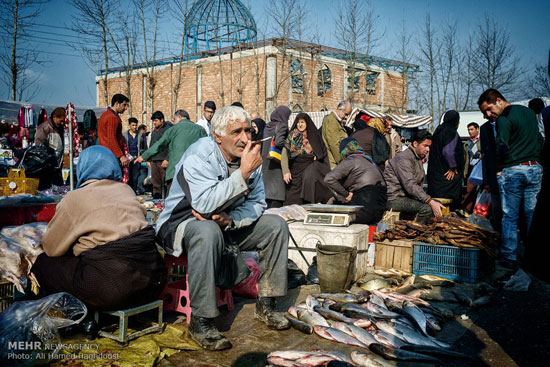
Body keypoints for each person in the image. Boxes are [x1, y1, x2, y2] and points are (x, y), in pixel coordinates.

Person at [155, 106, 290, 350]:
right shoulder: (199, 154)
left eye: (247, 130)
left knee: (276, 225)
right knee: (207, 230)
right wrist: (243, 174)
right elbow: (203, 204)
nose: (245, 138)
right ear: (217, 136)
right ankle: (202, 320)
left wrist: (232, 220)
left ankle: (267, 303)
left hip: (225, 222)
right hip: (182, 223)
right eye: (236, 131)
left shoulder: (250, 156)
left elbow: (258, 202)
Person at [30, 146, 167, 311]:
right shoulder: (126, 189)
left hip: (113, 288)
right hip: (152, 282)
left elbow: (52, 248)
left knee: (43, 263)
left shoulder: (75, 198)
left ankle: (66, 315)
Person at [478, 88, 543, 269]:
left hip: (513, 170)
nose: (488, 115)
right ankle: (533, 257)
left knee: (509, 216)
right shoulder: (530, 114)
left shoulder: (503, 119)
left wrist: (498, 170)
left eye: (489, 109)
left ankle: (509, 257)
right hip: (534, 168)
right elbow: (539, 140)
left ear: (499, 100)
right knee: (531, 214)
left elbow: (501, 147)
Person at [135, 109, 206, 193]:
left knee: (173, 200)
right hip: (195, 172)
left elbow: (159, 145)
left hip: (175, 171)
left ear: (179, 117)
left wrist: (144, 156)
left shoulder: (173, 129)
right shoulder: (201, 130)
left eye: (174, 119)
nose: (174, 122)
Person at [384, 130, 445, 224]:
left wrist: (431, 200)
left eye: (429, 146)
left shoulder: (417, 157)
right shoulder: (404, 158)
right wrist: (429, 201)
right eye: (425, 146)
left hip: (405, 197)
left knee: (437, 203)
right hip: (394, 198)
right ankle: (415, 233)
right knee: (427, 208)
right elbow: (410, 185)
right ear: (415, 144)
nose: (428, 149)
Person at [325, 137, 387, 224]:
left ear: (344, 151)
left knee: (336, 211)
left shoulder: (351, 160)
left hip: (365, 203)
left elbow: (329, 179)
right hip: (380, 207)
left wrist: (345, 194)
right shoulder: (369, 160)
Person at [281, 113, 331, 205]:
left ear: (307, 123)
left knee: (307, 193)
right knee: (291, 199)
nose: (300, 124)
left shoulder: (313, 134)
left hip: (308, 168)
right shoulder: (292, 135)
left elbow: (321, 150)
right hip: (294, 170)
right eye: (298, 122)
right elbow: (284, 153)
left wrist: (317, 157)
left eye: (302, 122)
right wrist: (285, 171)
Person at [427, 110, 465, 209]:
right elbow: (448, 151)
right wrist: (452, 167)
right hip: (446, 177)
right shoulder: (450, 131)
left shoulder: (438, 130)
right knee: (449, 203)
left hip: (436, 175)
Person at [261, 106, 291, 208]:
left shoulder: (268, 126)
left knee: (268, 191)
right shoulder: (282, 126)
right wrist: (288, 142)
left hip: (266, 160)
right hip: (276, 161)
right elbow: (279, 142)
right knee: (277, 192)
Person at [479, 115, 502, 231]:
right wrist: (486, 181)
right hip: (493, 176)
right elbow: (484, 156)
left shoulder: (506, 123)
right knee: (496, 208)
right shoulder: (484, 129)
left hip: (508, 173)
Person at [34, 107, 66, 188]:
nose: (62, 123)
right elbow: (39, 146)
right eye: (61, 120)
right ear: (54, 117)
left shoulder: (60, 128)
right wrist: (48, 159)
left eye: (63, 121)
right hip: (47, 166)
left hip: (57, 165)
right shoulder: (44, 127)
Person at [98, 94, 129, 168]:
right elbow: (111, 138)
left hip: (105, 153)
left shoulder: (105, 115)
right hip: (111, 155)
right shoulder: (112, 117)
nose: (125, 108)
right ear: (117, 104)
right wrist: (121, 156)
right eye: (124, 105)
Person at [148, 111, 172, 199]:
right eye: (153, 121)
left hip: (163, 161)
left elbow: (171, 146)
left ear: (162, 120)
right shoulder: (154, 132)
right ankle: (156, 203)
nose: (154, 123)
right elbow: (151, 146)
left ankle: (167, 204)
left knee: (166, 184)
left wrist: (167, 159)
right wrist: (149, 159)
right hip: (154, 161)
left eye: (156, 120)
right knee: (155, 184)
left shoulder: (168, 130)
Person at [321, 101, 352, 168]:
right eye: (346, 114)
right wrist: (341, 161)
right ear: (340, 109)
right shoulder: (332, 121)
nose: (347, 117)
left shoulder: (336, 121)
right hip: (334, 162)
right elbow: (334, 144)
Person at [460, 122, 481, 213]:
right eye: (468, 130)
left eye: (472, 129)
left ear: (477, 129)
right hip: (471, 169)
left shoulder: (483, 140)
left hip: (481, 169)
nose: (470, 131)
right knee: (469, 190)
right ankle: (466, 210)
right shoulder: (467, 143)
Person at [123, 117, 143, 192]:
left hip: (136, 159)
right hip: (127, 159)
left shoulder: (140, 135)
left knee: (135, 178)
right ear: (129, 125)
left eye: (136, 125)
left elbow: (144, 147)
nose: (134, 127)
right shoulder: (125, 135)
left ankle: (134, 192)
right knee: (128, 177)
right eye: (133, 125)